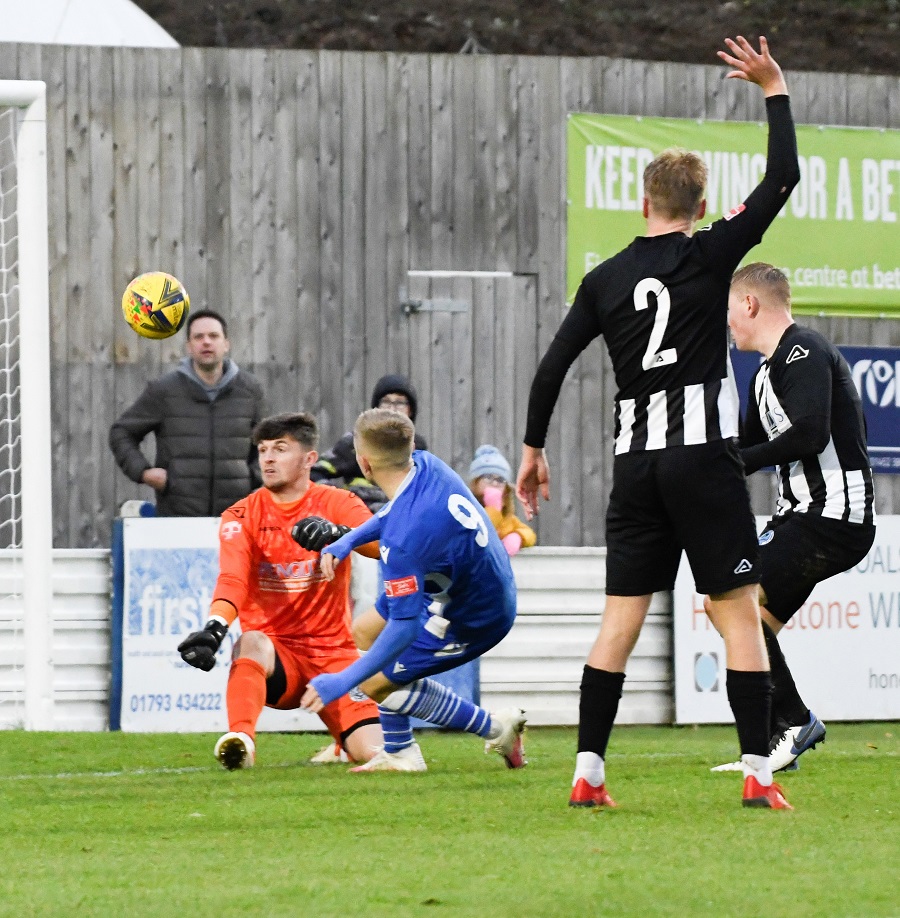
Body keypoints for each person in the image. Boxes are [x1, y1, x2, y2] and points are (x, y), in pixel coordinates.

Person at [515, 36, 800, 810]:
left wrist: (533, 450)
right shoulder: (712, 257)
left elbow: (552, 367)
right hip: (704, 462)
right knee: (738, 616)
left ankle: (587, 772)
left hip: (635, 468)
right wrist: (772, 89)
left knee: (618, 624)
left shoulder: (603, 278)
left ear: (642, 203)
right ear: (700, 208)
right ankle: (756, 774)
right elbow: (782, 181)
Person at [709, 262, 876, 773]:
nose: (728, 322)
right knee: (745, 619)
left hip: (832, 517)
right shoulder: (761, 375)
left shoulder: (803, 350)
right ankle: (770, 749)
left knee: (730, 604)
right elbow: (741, 453)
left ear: (751, 305)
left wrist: (736, 461)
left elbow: (809, 435)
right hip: (799, 516)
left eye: (730, 309)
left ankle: (794, 722)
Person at [294, 408, 527, 772]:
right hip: (471, 580)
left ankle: (497, 727)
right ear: (411, 445)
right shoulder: (425, 464)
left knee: (372, 683)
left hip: (474, 615)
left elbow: (403, 628)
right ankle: (400, 750)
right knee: (364, 632)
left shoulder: (402, 544)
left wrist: (342, 681)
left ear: (363, 464)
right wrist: (348, 540)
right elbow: (396, 511)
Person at [176, 412, 384, 769]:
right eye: (263, 450)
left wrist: (341, 537)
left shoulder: (339, 504)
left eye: (280, 449)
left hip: (335, 660)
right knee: (251, 640)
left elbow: (385, 547)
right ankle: (241, 741)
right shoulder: (240, 515)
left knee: (377, 757)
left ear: (309, 459)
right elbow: (233, 578)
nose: (268, 459)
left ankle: (343, 742)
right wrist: (215, 628)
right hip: (278, 662)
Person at [109, 309, 266, 517]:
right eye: (198, 337)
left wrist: (253, 477)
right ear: (189, 346)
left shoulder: (250, 390)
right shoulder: (164, 390)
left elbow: (269, 442)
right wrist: (144, 472)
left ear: (226, 344)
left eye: (213, 336)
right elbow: (121, 433)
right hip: (178, 517)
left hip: (237, 519)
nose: (206, 342)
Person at [311, 373, 429, 513]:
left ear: (410, 410)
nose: (392, 409)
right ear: (376, 408)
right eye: (386, 401)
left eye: (400, 403)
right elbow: (314, 473)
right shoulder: (355, 442)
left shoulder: (418, 447)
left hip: (399, 522)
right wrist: (339, 501)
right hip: (360, 522)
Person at [468, 445, 536, 556]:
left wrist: (517, 536)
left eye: (500, 480)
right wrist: (493, 509)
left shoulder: (508, 519)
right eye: (488, 477)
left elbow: (529, 533)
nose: (494, 483)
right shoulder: (468, 513)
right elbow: (480, 531)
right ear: (475, 483)